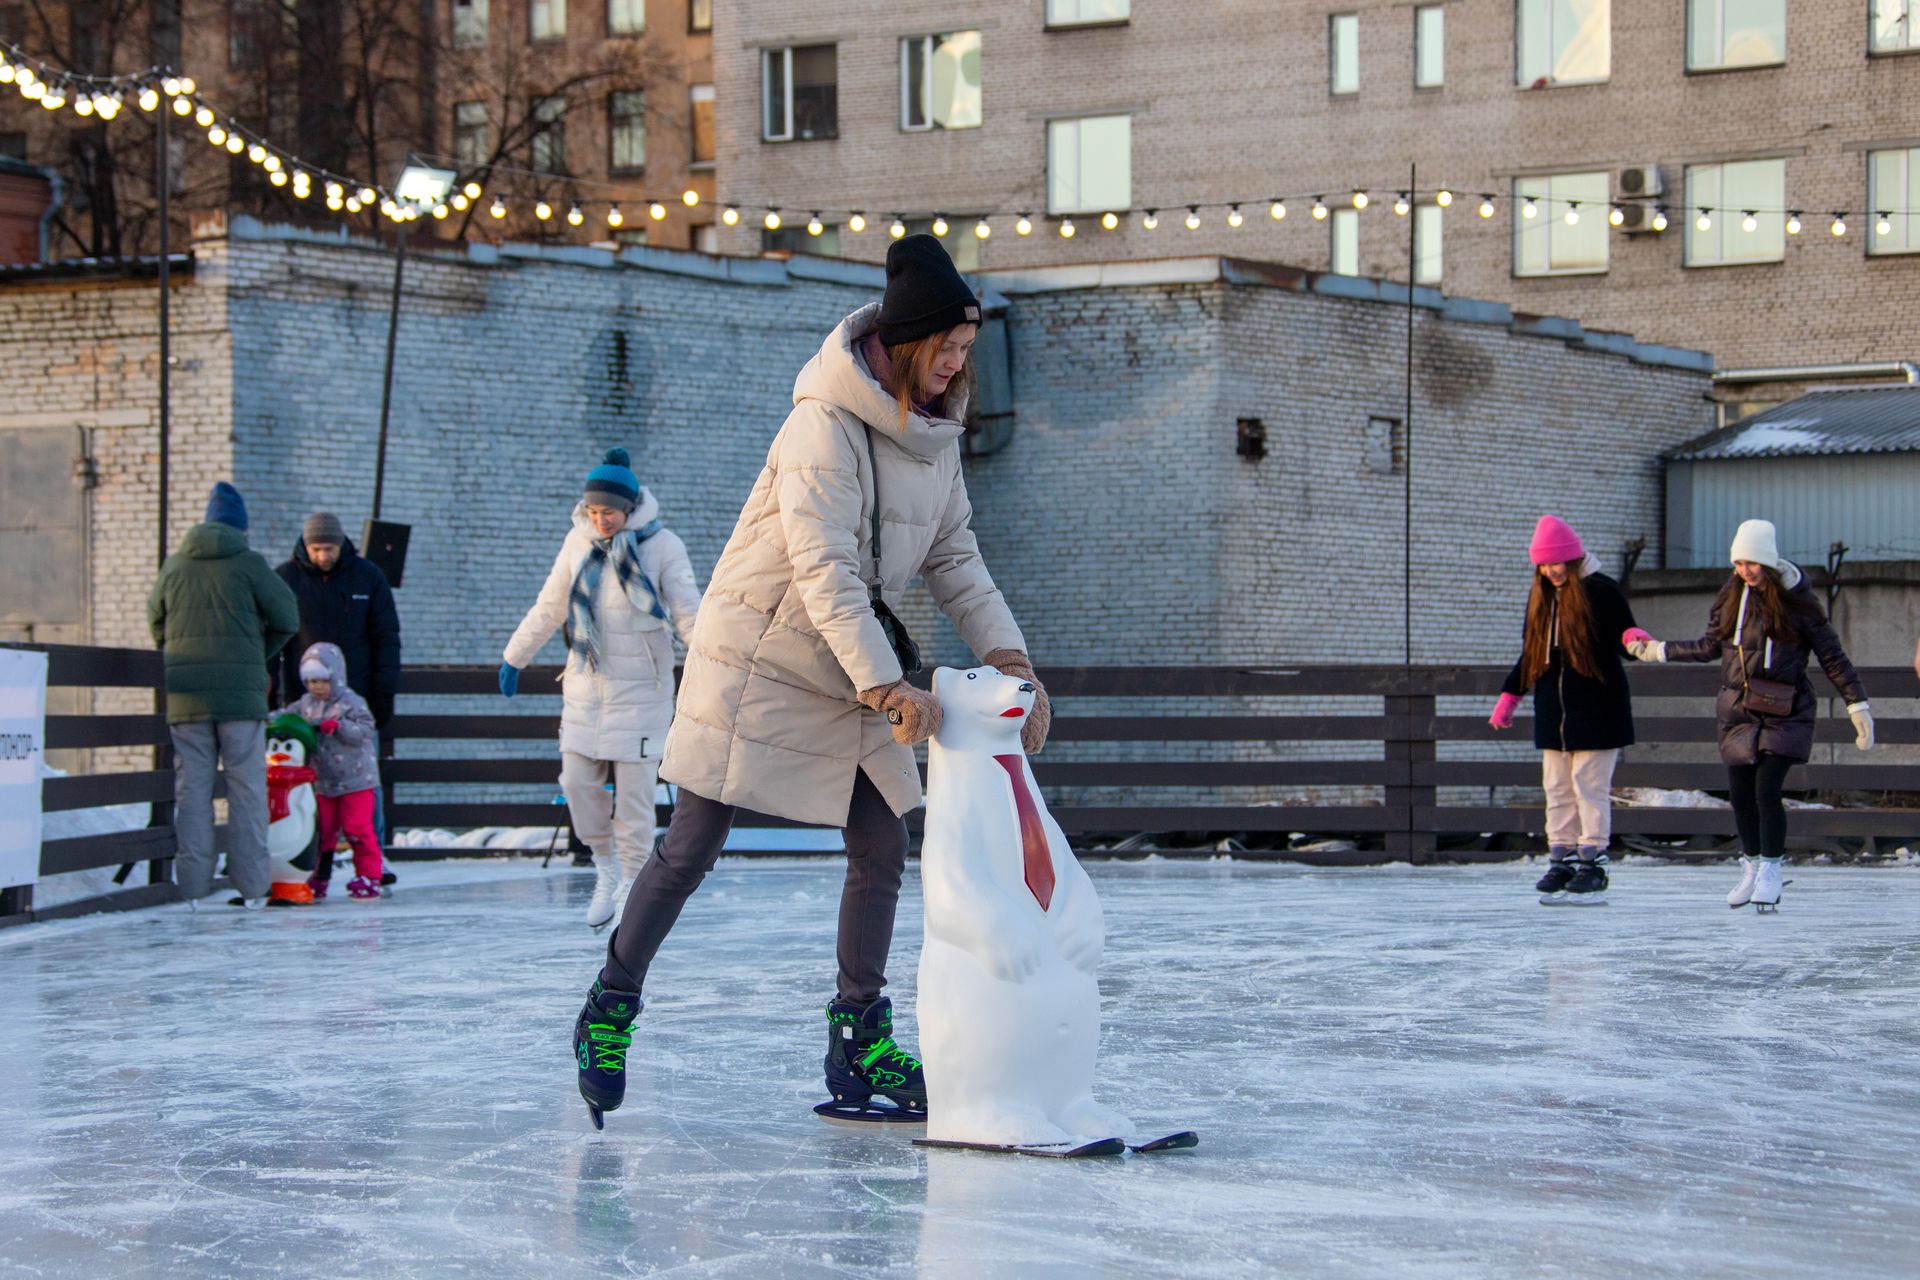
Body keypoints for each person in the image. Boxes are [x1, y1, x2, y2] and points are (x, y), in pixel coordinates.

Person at [570, 235, 1049, 1129]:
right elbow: (824, 571)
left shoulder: (934, 438)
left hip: (852, 656)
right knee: (693, 845)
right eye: (943, 347)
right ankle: (610, 1004)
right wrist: (888, 685)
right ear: (904, 345)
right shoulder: (820, 426)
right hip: (758, 657)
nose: (955, 364)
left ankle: (858, 1039)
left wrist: (1014, 662)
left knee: (882, 840)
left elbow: (955, 557)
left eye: (964, 349)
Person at [501, 449, 703, 927]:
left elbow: (687, 613)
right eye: (593, 512)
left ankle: (633, 883)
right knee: (576, 784)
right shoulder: (578, 542)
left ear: (630, 508)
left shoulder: (662, 545)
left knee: (634, 802)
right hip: (585, 691)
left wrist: (710, 662)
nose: (600, 520)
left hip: (642, 694)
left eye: (608, 512)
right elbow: (551, 605)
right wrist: (514, 655)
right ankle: (606, 868)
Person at [1628, 519, 1873, 911]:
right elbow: (1709, 645)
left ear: (1768, 561)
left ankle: (1772, 871)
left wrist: (1856, 705)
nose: (1746, 571)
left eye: (1752, 563)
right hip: (1739, 711)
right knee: (1740, 797)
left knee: (1766, 790)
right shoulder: (1731, 596)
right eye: (1739, 563)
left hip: (1784, 710)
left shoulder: (1799, 603)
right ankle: (1752, 865)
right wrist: (1658, 650)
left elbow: (1833, 657)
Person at [147, 482, 300, 908]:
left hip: (187, 699)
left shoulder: (175, 566)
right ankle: (251, 886)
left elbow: (155, 620)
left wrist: (177, 652)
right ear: (241, 529)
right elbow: (287, 617)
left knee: (192, 790)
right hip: (240, 702)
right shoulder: (249, 564)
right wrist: (254, 658)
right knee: (246, 788)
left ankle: (192, 885)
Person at [1490, 515, 1641, 903]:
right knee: (1556, 788)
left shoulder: (1602, 592)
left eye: (1557, 563)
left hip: (1598, 709)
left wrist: (1636, 639)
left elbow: (1625, 639)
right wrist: (1511, 697)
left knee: (1589, 787)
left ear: (1573, 560)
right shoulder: (1542, 598)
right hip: (1553, 713)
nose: (1551, 571)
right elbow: (1531, 656)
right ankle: (1562, 858)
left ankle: (1593, 861)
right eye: (1544, 564)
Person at [270, 511, 401, 849]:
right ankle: (308, 853)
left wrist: (383, 693)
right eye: (317, 549)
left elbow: (386, 637)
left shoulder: (367, 577)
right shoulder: (286, 580)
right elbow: (270, 642)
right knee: (304, 780)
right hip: (303, 703)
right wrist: (273, 698)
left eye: (329, 548)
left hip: (354, 702)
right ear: (305, 547)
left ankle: (373, 853)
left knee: (364, 779)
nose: (323, 556)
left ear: (341, 544)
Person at [275, 642, 386, 900]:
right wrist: (268, 722)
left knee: (357, 828)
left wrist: (339, 726)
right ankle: (318, 877)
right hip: (324, 782)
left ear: (336, 677)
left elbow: (365, 731)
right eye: (312, 681)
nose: (317, 687)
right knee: (322, 832)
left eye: (323, 681)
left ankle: (370, 876)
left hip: (357, 779)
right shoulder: (306, 705)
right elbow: (285, 717)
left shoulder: (350, 702)